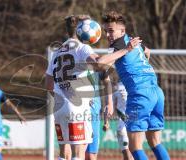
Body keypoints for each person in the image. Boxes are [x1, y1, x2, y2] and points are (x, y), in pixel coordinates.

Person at [45, 14, 140, 160]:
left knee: (64, 153)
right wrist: (125, 50)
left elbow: (49, 85)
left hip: (58, 107)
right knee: (79, 152)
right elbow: (99, 64)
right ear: (81, 30)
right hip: (76, 107)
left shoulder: (56, 53)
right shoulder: (82, 48)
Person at [102, 11, 170, 160]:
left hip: (140, 95)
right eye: (105, 31)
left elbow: (100, 62)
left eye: (111, 31)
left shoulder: (119, 45)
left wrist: (125, 50)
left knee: (135, 147)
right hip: (156, 92)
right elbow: (147, 51)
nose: (108, 35)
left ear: (122, 31)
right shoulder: (133, 40)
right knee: (155, 142)